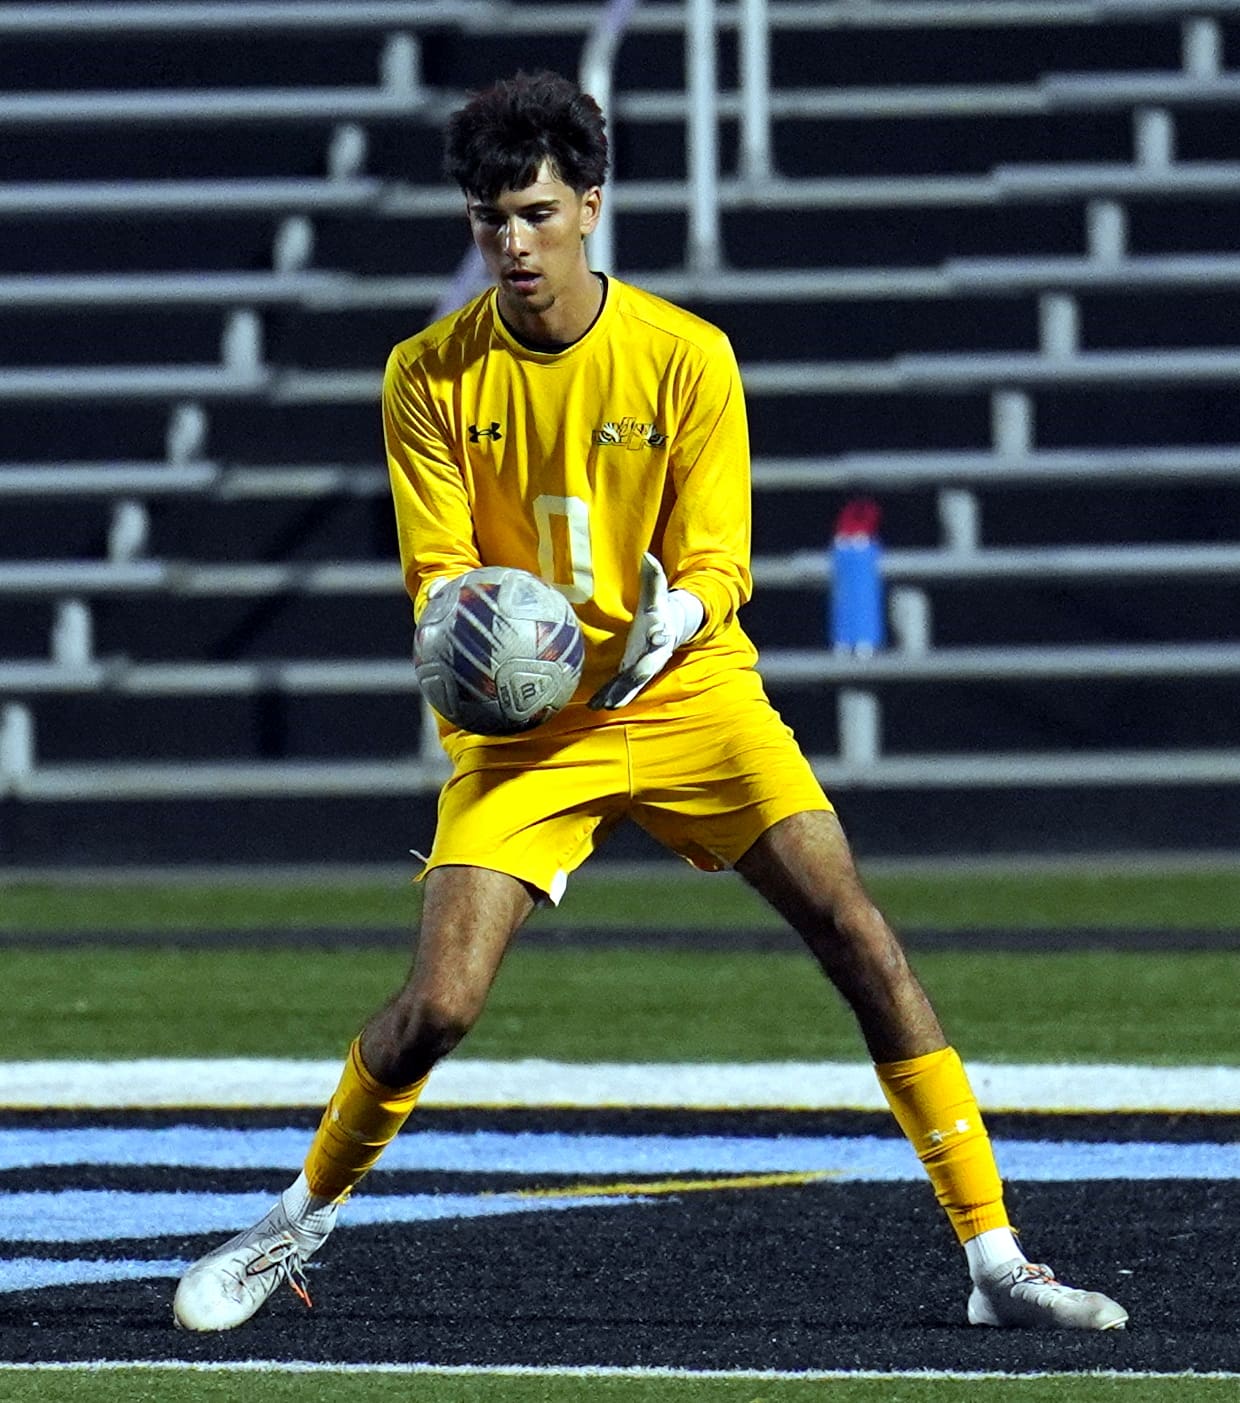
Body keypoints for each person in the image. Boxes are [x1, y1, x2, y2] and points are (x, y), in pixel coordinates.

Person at [173, 70, 1127, 1335]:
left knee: (857, 932)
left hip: (691, 692)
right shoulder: (426, 374)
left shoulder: (685, 355)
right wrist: (478, 644)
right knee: (440, 1003)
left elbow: (719, 558)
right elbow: (442, 577)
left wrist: (680, 615)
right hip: (530, 726)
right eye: (490, 219)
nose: (514, 243)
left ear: (591, 205)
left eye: (537, 213)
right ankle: (291, 1222)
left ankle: (994, 1258)